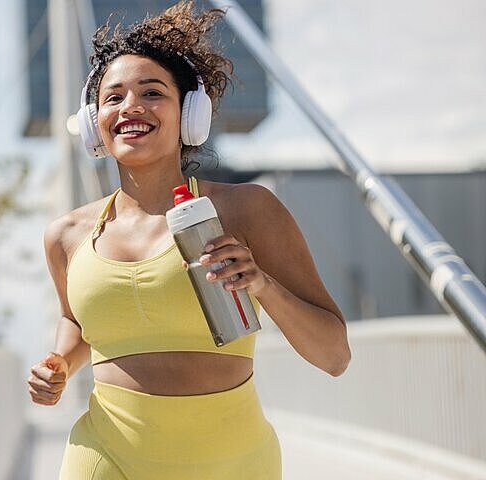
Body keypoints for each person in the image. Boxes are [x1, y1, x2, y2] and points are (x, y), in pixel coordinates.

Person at [28, 2, 351, 478]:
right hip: (105, 455)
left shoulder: (247, 210)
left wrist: (260, 284)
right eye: (113, 97)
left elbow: (334, 355)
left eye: (152, 92)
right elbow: (77, 321)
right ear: (94, 120)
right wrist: (58, 363)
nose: (130, 107)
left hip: (233, 462)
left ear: (191, 114)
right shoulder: (67, 235)